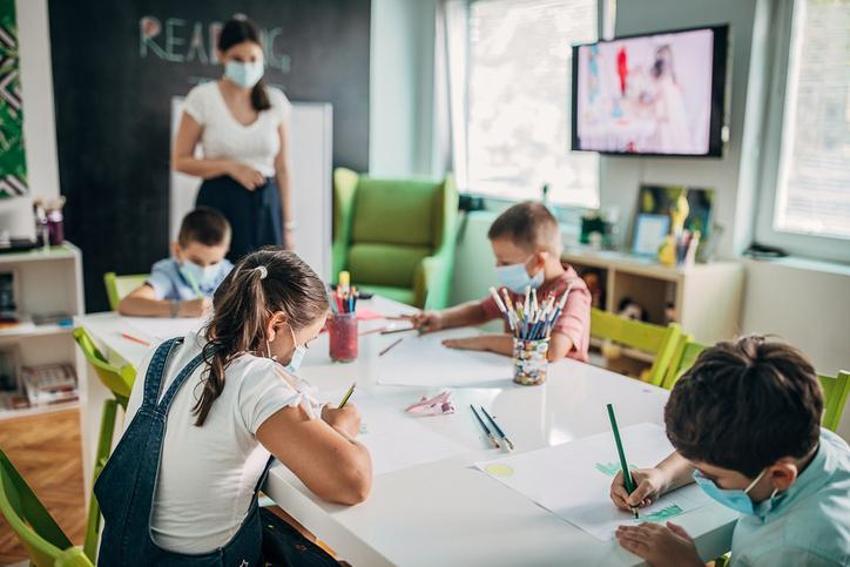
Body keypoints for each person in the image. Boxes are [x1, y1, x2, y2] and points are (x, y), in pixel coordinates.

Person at [96, 249, 372, 564]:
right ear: (276, 324)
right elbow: (353, 483)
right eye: (303, 343)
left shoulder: (163, 353)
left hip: (129, 555)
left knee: (292, 527)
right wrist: (341, 428)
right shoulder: (254, 379)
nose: (298, 354)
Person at [610, 336, 850, 566]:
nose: (699, 477)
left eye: (713, 477)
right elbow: (712, 453)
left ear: (780, 476)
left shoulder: (798, 552)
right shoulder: (806, 440)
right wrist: (661, 475)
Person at [172, 15, 295, 259]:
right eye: (238, 59)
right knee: (223, 283)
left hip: (265, 205)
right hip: (219, 204)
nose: (247, 66)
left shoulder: (276, 101)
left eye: (253, 59)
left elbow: (283, 167)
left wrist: (288, 225)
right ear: (221, 55)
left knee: (267, 281)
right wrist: (230, 167)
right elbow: (180, 160)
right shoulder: (202, 98)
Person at [412, 201, 591, 362]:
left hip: (561, 385)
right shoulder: (520, 288)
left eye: (505, 263)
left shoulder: (573, 293)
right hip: (518, 377)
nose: (498, 267)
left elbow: (553, 350)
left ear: (538, 261)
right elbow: (482, 310)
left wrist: (485, 342)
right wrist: (442, 318)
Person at [118, 207, 233, 318]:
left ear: (225, 251)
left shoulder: (230, 272)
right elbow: (127, 304)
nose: (205, 269)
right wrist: (181, 308)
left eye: (214, 263)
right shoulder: (169, 272)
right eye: (196, 261)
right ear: (177, 250)